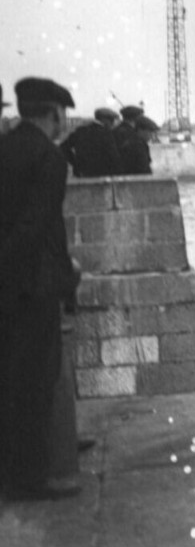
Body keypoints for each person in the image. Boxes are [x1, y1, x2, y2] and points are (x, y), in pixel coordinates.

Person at [1, 76, 84, 500]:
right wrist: (65, 273)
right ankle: (31, 479)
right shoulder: (50, 160)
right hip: (32, 287)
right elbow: (40, 229)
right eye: (61, 116)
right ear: (53, 113)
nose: (61, 124)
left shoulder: (5, 149)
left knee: (9, 379)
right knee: (35, 381)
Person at [60, 106, 123, 178]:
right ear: (104, 120)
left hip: (83, 174)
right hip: (103, 176)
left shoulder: (81, 131)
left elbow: (63, 147)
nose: (112, 123)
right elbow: (114, 157)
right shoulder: (106, 134)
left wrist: (75, 164)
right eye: (111, 120)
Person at [114, 104, 155, 175]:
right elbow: (142, 165)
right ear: (137, 119)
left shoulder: (115, 131)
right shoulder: (135, 136)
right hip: (134, 177)